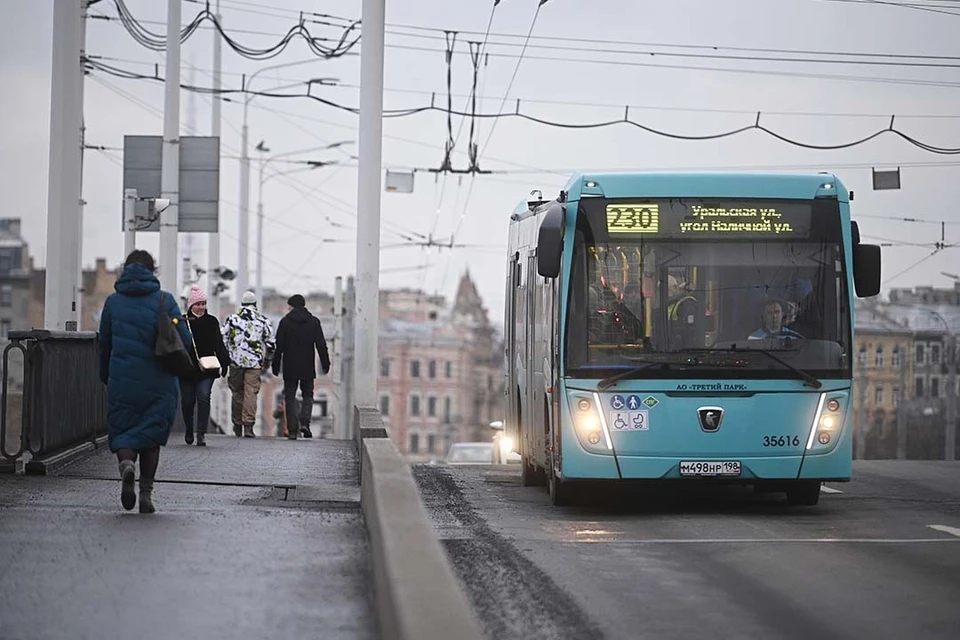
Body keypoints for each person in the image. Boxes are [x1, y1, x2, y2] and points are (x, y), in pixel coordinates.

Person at [98, 250, 192, 513]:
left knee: (124, 432)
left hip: (122, 380)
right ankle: (146, 495)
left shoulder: (113, 302)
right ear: (153, 271)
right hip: (159, 381)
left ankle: (127, 465)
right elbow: (184, 339)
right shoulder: (165, 300)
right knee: (151, 437)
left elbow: (104, 343)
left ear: (125, 270)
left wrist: (105, 375)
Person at [271, 294, 331, 439]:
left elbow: (278, 346)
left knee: (290, 396)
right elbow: (321, 345)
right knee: (308, 395)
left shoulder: (285, 322)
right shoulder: (314, 322)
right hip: (307, 365)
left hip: (290, 366)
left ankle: (292, 430)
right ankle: (305, 423)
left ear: (292, 307)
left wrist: (275, 364)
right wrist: (325, 363)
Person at [180, 286, 230, 446]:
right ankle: (189, 429)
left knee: (203, 397)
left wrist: (224, 362)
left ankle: (201, 433)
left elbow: (218, 344)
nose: (201, 307)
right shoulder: (183, 322)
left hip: (207, 368)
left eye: (203, 304)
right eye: (198, 304)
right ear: (191, 305)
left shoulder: (211, 321)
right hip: (187, 369)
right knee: (187, 402)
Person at [222, 290, 275, 438]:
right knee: (251, 392)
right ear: (255, 304)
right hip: (254, 363)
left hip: (235, 362)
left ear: (242, 304)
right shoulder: (263, 320)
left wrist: (228, 355)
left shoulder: (232, 319)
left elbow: (223, 338)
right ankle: (248, 426)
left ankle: (237, 424)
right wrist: (267, 360)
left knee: (237, 392)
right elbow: (271, 343)